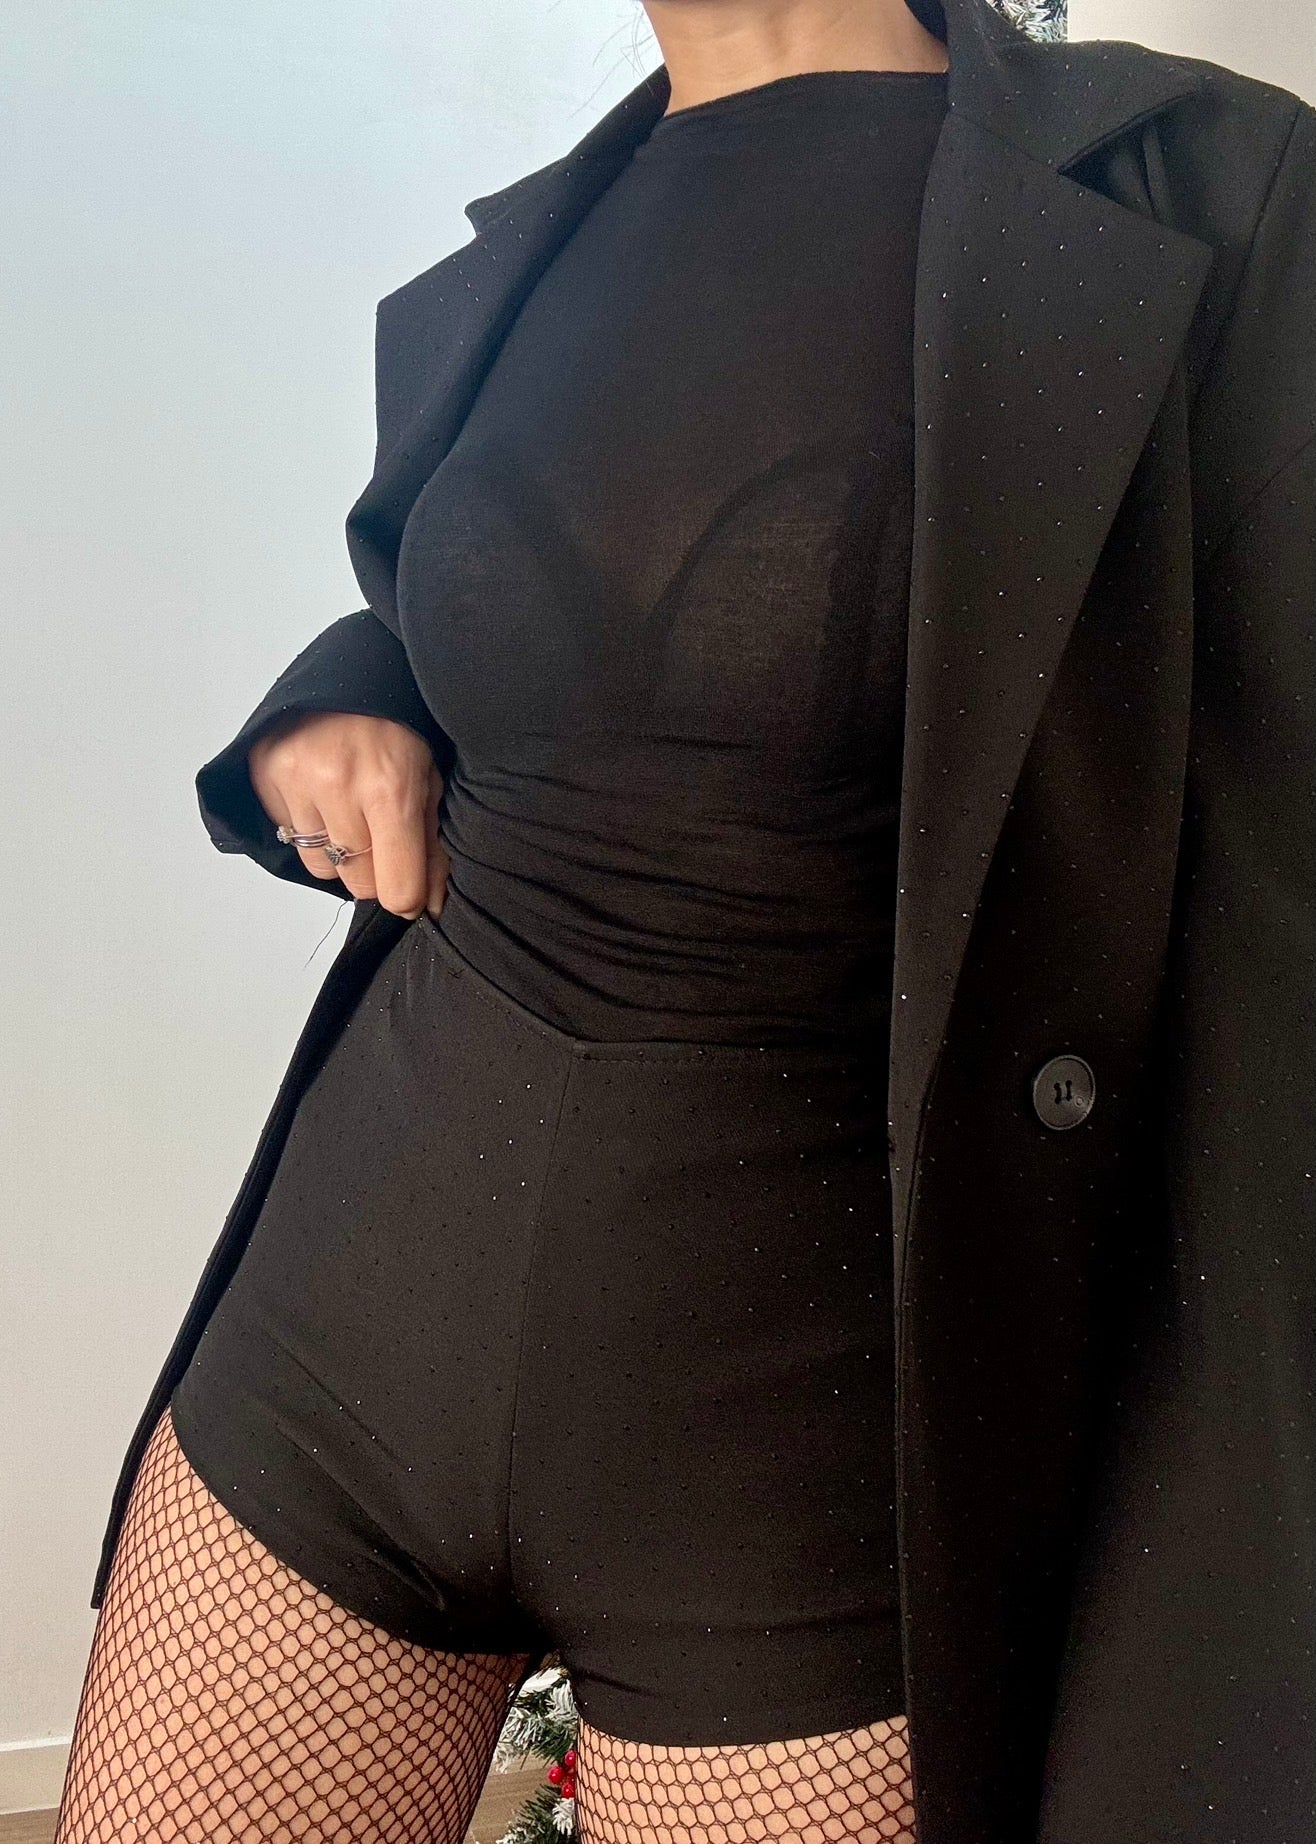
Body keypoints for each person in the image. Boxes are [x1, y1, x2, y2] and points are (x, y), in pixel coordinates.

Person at [55, 0, 1316, 1838]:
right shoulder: (544, 239)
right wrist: (346, 692)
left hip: (807, 1485)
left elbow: (1267, 932)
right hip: (342, 1350)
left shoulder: (1218, 192)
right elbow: (554, 634)